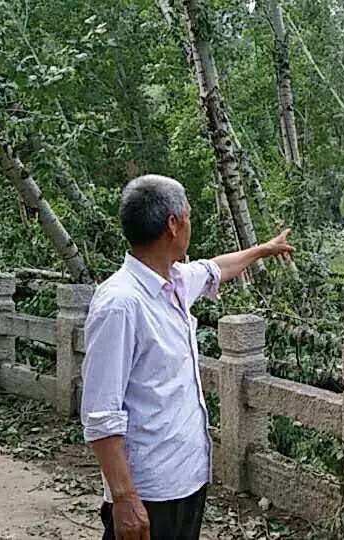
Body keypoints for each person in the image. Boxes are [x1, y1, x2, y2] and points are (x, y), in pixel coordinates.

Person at [80, 174, 294, 540]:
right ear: (173, 225)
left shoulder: (174, 281)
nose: (190, 224)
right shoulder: (121, 303)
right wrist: (124, 497)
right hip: (147, 490)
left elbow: (217, 269)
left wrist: (262, 250)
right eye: (189, 216)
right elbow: (100, 413)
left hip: (187, 477)